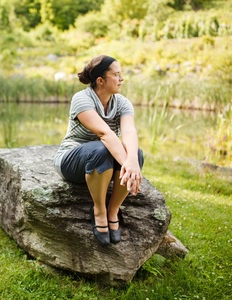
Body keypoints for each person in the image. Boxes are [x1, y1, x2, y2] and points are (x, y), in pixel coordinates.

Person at [54, 55, 144, 246]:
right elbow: (105, 133)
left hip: (103, 159)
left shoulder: (122, 103)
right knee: (101, 148)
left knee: (137, 154)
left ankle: (113, 210)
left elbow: (128, 131)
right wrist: (128, 164)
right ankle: (99, 210)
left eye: (121, 74)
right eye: (116, 75)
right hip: (72, 160)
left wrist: (133, 161)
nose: (122, 79)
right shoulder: (81, 99)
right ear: (100, 81)